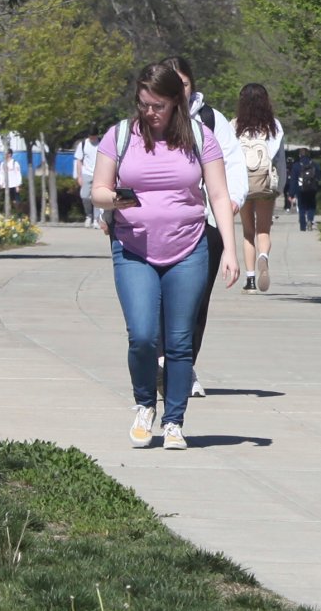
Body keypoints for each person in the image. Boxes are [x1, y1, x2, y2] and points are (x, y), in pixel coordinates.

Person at [91, 61, 240, 450]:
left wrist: (230, 249)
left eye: (158, 105)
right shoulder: (120, 135)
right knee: (141, 335)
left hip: (188, 248)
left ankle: (174, 421)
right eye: (144, 104)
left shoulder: (200, 137)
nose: (150, 113)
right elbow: (98, 190)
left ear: (176, 102)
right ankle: (144, 404)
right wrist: (114, 199)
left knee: (179, 342)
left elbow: (220, 195)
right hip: (133, 249)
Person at [164, 56, 237, 398]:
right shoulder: (150, 119)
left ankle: (183, 366)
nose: (179, 92)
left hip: (205, 223)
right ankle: (162, 361)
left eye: (185, 84)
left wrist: (232, 200)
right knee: (158, 299)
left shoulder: (211, 120)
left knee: (195, 300)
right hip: (160, 226)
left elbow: (232, 163)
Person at [229, 84, 286, 293]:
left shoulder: (234, 126)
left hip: (243, 185)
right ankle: (264, 257)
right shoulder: (274, 127)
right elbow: (279, 160)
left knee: (247, 231)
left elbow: (228, 159)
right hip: (265, 185)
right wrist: (280, 186)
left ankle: (250, 279)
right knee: (263, 229)